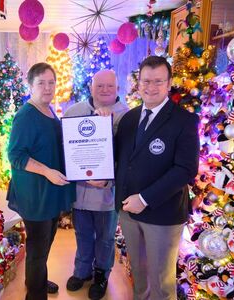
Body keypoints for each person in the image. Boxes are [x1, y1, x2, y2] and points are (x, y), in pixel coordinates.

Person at [113, 56, 200, 300]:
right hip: (128, 211)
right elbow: (121, 159)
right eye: (146, 81)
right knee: (139, 276)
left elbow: (185, 170)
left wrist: (145, 198)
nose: (151, 87)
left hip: (163, 214)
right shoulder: (129, 119)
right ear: (138, 83)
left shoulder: (184, 121)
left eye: (158, 81)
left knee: (161, 281)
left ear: (169, 83)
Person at [7, 62, 76, 300]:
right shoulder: (26, 116)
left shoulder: (48, 109)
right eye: (41, 83)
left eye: (51, 82)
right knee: (38, 249)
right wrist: (47, 171)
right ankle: (35, 295)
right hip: (35, 194)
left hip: (50, 191)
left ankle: (35, 279)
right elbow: (15, 156)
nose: (47, 88)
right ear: (30, 86)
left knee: (44, 245)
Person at [62, 69, 130, 299]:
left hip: (107, 194)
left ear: (118, 89)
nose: (104, 90)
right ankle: (82, 272)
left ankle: (101, 274)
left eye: (110, 86)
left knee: (105, 237)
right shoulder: (74, 112)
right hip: (80, 192)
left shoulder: (127, 116)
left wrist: (109, 179)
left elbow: (129, 158)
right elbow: (66, 150)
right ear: (91, 87)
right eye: (99, 85)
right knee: (82, 234)